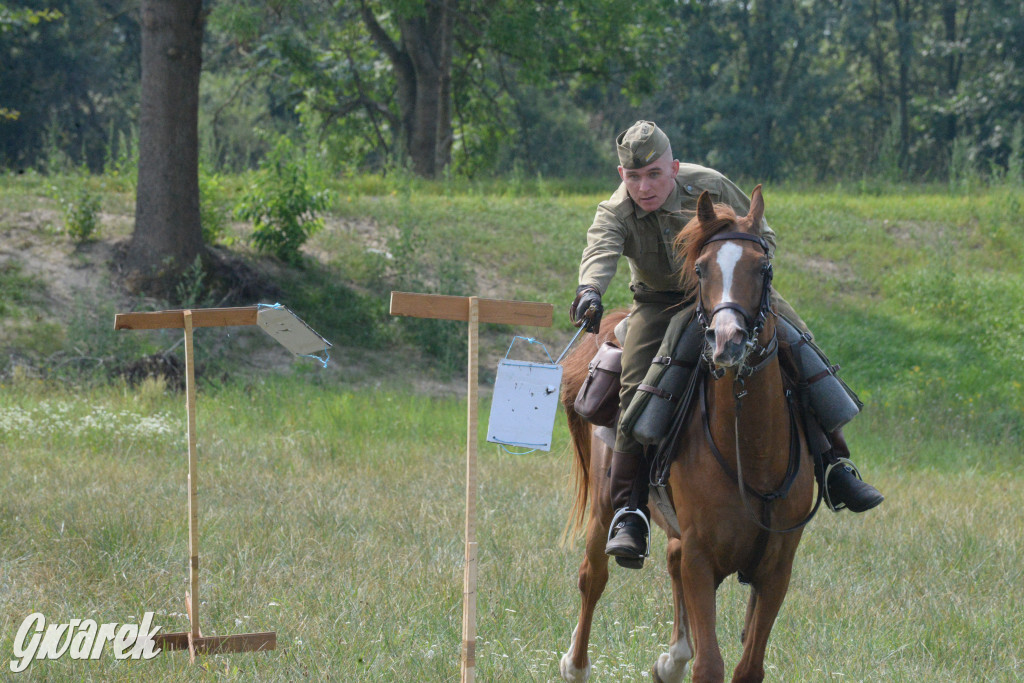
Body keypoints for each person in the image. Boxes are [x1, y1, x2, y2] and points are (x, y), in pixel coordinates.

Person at [569, 120, 884, 567]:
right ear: (622, 175)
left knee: (800, 349)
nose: (644, 186)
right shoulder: (614, 212)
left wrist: (738, 261)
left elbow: (763, 235)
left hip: (730, 291)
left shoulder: (711, 185)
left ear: (673, 167)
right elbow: (599, 253)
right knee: (635, 387)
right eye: (633, 177)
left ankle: (835, 466)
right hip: (659, 306)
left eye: (654, 174)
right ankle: (629, 509)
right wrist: (590, 292)